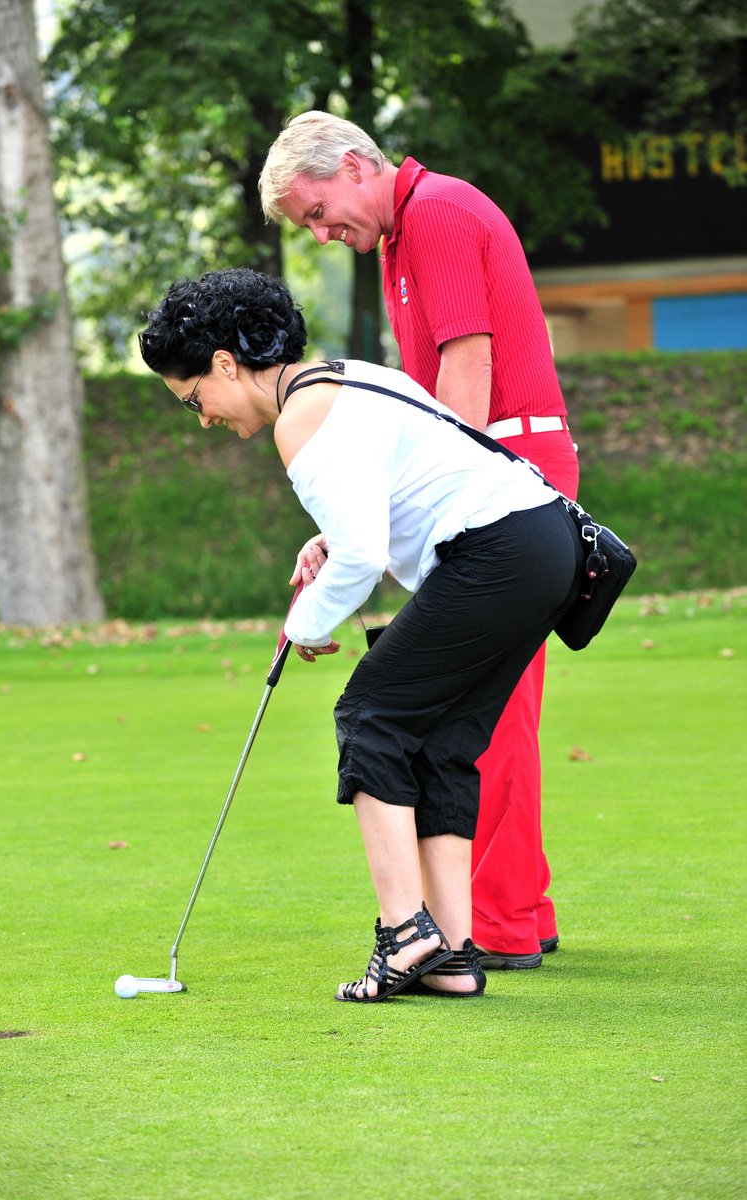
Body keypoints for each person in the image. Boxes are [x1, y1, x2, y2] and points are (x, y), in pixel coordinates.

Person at [138, 266, 583, 1003]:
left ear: (225, 364)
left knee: (368, 715)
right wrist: (331, 545)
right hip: (544, 546)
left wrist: (305, 623)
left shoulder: (299, 417)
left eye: (196, 399)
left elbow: (364, 556)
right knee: (438, 738)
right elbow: (383, 516)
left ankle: (405, 933)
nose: (204, 416)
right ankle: (452, 954)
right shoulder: (344, 379)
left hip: (499, 549)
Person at [259, 112, 580, 969]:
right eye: (307, 227)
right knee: (497, 702)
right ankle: (522, 905)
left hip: (502, 466)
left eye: (320, 211)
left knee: (487, 711)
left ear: (359, 165)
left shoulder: (434, 212)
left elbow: (464, 377)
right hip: (500, 470)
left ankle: (501, 925)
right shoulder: (405, 231)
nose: (323, 233)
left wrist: (447, 513)